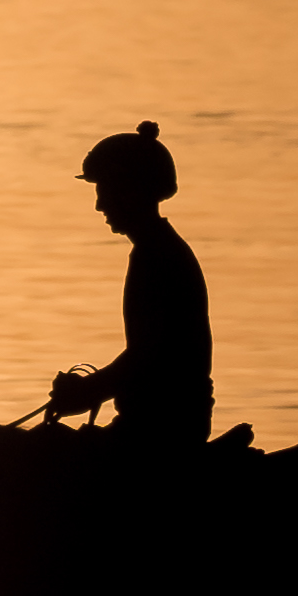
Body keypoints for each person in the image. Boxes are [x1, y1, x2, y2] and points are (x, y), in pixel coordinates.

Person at [42, 121, 212, 460]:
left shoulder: (156, 257)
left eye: (103, 191)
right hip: (165, 422)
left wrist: (86, 391)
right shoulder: (159, 250)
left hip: (160, 430)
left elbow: (146, 358)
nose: (99, 205)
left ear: (129, 190)